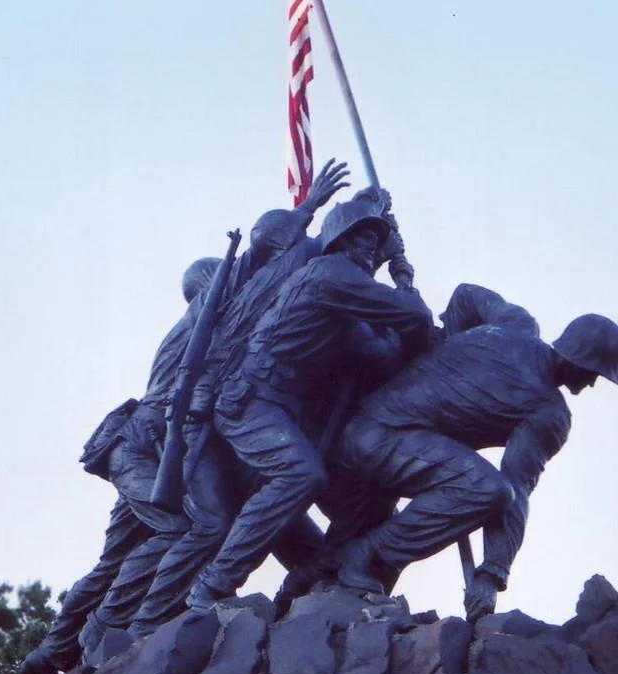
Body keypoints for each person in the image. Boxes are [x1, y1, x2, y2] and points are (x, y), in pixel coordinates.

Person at [87, 160, 352, 641]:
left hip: (179, 430)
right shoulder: (208, 317)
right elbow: (270, 260)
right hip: (163, 434)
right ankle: (132, 629)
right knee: (203, 525)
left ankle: (88, 635)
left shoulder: (219, 316)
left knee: (149, 544)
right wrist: (311, 211)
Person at [180, 196, 435, 612]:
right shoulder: (332, 274)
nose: (372, 247)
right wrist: (403, 277)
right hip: (250, 402)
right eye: (364, 238)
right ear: (341, 240)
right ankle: (212, 586)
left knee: (364, 488)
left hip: (284, 411)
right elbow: (415, 319)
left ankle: (320, 577)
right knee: (301, 474)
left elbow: (383, 354)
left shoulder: (344, 296)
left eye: (377, 239)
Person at [333, 309, 618, 621]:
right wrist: (492, 574)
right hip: (382, 445)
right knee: (487, 490)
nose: (593, 383)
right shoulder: (549, 414)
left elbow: (464, 296)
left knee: (350, 569)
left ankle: (347, 583)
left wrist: (447, 343)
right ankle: (366, 554)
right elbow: (516, 488)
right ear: (579, 361)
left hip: (366, 427)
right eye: (595, 373)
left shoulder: (514, 323)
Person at [16, 258, 220, 674]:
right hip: (137, 446)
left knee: (113, 561)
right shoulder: (200, 314)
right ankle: (104, 627)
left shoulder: (212, 325)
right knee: (177, 528)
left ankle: (51, 650)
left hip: (154, 449)